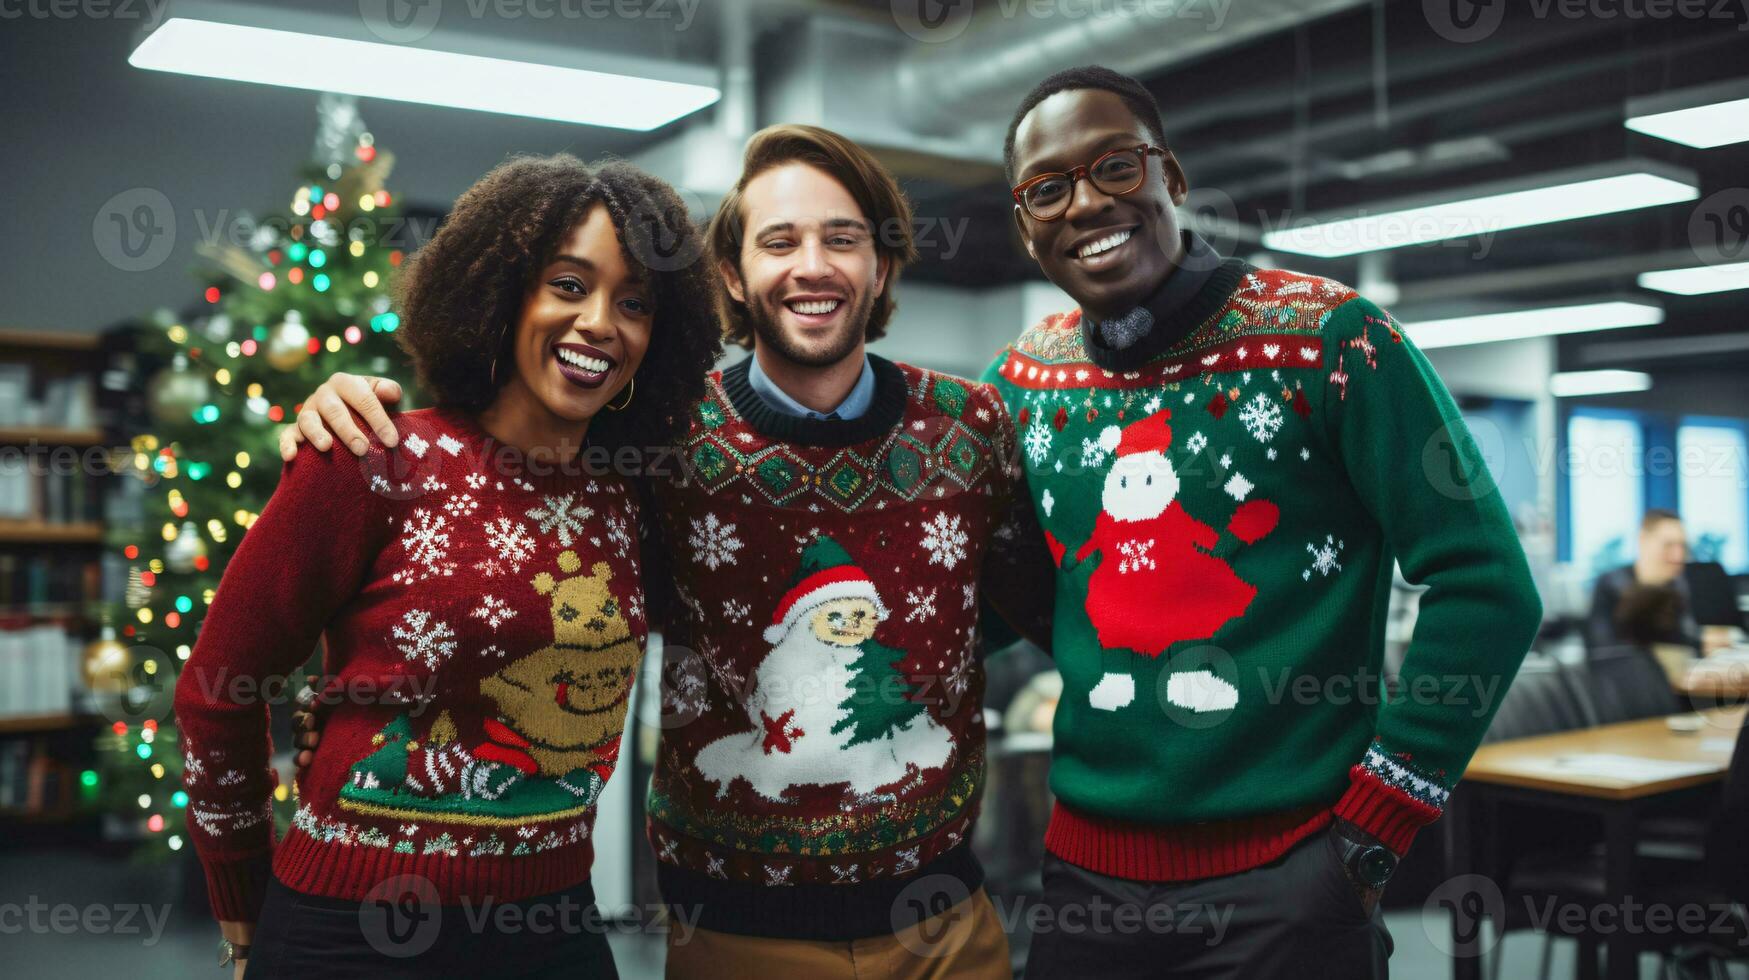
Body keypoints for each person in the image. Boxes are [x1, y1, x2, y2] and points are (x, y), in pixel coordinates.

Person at [279, 125, 1053, 979]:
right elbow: (504, 534)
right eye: (778, 240)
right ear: (730, 274)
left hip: (944, 922)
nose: (813, 265)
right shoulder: (654, 446)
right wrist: (351, 406)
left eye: (843, 238)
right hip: (732, 927)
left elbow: (1034, 610)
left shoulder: (972, 424)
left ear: (884, 265)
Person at [981, 66, 1543, 978]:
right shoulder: (1020, 383)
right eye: (1048, 189)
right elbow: (1022, 600)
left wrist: (1373, 831)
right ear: (1025, 224)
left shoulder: (1335, 342)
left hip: (1291, 890)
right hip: (1085, 889)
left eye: (1115, 167)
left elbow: (1484, 585)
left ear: (1173, 177)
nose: (1085, 203)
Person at [173, 154, 720, 979]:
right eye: (567, 285)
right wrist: (240, 905)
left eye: (634, 301)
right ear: (499, 295)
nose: (601, 321)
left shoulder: (639, 491)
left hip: (553, 928)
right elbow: (217, 688)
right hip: (347, 931)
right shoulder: (371, 457)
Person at [1587, 509, 1702, 650]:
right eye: (1668, 545)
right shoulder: (1612, 584)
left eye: (1683, 546)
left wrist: (1704, 642)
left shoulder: (1678, 585)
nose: (1678, 557)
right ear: (1643, 540)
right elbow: (1603, 647)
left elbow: (1686, 639)